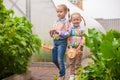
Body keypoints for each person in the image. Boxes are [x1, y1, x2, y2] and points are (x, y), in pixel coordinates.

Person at [60, 12, 86, 80]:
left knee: (78, 62)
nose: (76, 21)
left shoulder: (82, 30)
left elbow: (83, 38)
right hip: (71, 49)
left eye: (77, 19)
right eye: (74, 20)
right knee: (72, 62)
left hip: (79, 48)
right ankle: (72, 75)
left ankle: (78, 75)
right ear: (71, 21)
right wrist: (70, 46)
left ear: (80, 20)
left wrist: (80, 46)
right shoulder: (70, 29)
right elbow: (68, 38)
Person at [49, 4, 70, 80]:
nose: (59, 13)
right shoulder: (56, 21)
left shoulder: (67, 22)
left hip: (62, 42)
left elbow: (68, 33)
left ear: (65, 12)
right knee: (54, 60)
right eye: (57, 12)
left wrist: (59, 32)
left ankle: (62, 75)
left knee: (59, 59)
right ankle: (62, 69)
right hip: (55, 41)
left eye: (61, 11)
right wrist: (51, 33)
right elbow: (54, 33)